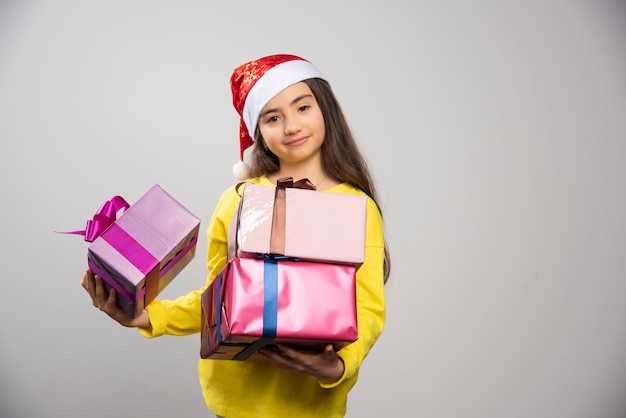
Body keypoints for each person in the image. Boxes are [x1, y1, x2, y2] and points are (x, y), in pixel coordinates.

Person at [82, 53, 390, 418]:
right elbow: (219, 298)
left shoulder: (356, 206)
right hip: (231, 402)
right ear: (258, 132)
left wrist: (339, 366)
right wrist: (149, 317)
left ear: (326, 111)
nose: (291, 126)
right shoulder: (238, 200)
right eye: (273, 117)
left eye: (303, 107)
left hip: (309, 406)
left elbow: (368, 308)